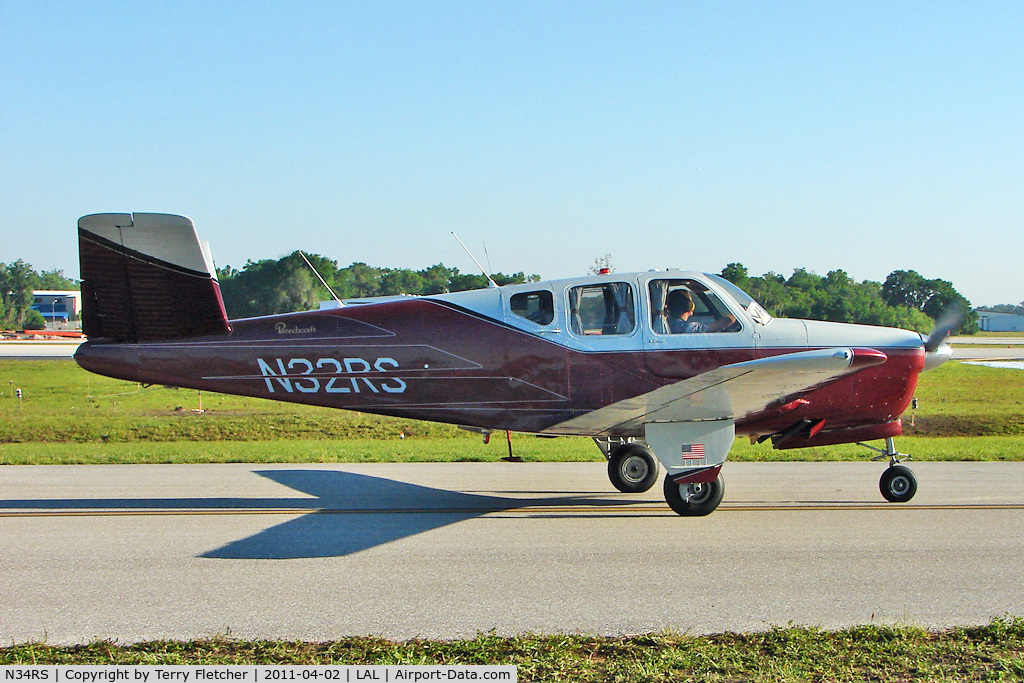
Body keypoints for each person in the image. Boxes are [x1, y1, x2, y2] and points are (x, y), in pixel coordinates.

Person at [665, 289, 736, 333]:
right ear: (689, 306)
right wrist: (736, 314)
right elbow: (718, 325)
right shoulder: (687, 327)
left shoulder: (664, 324)